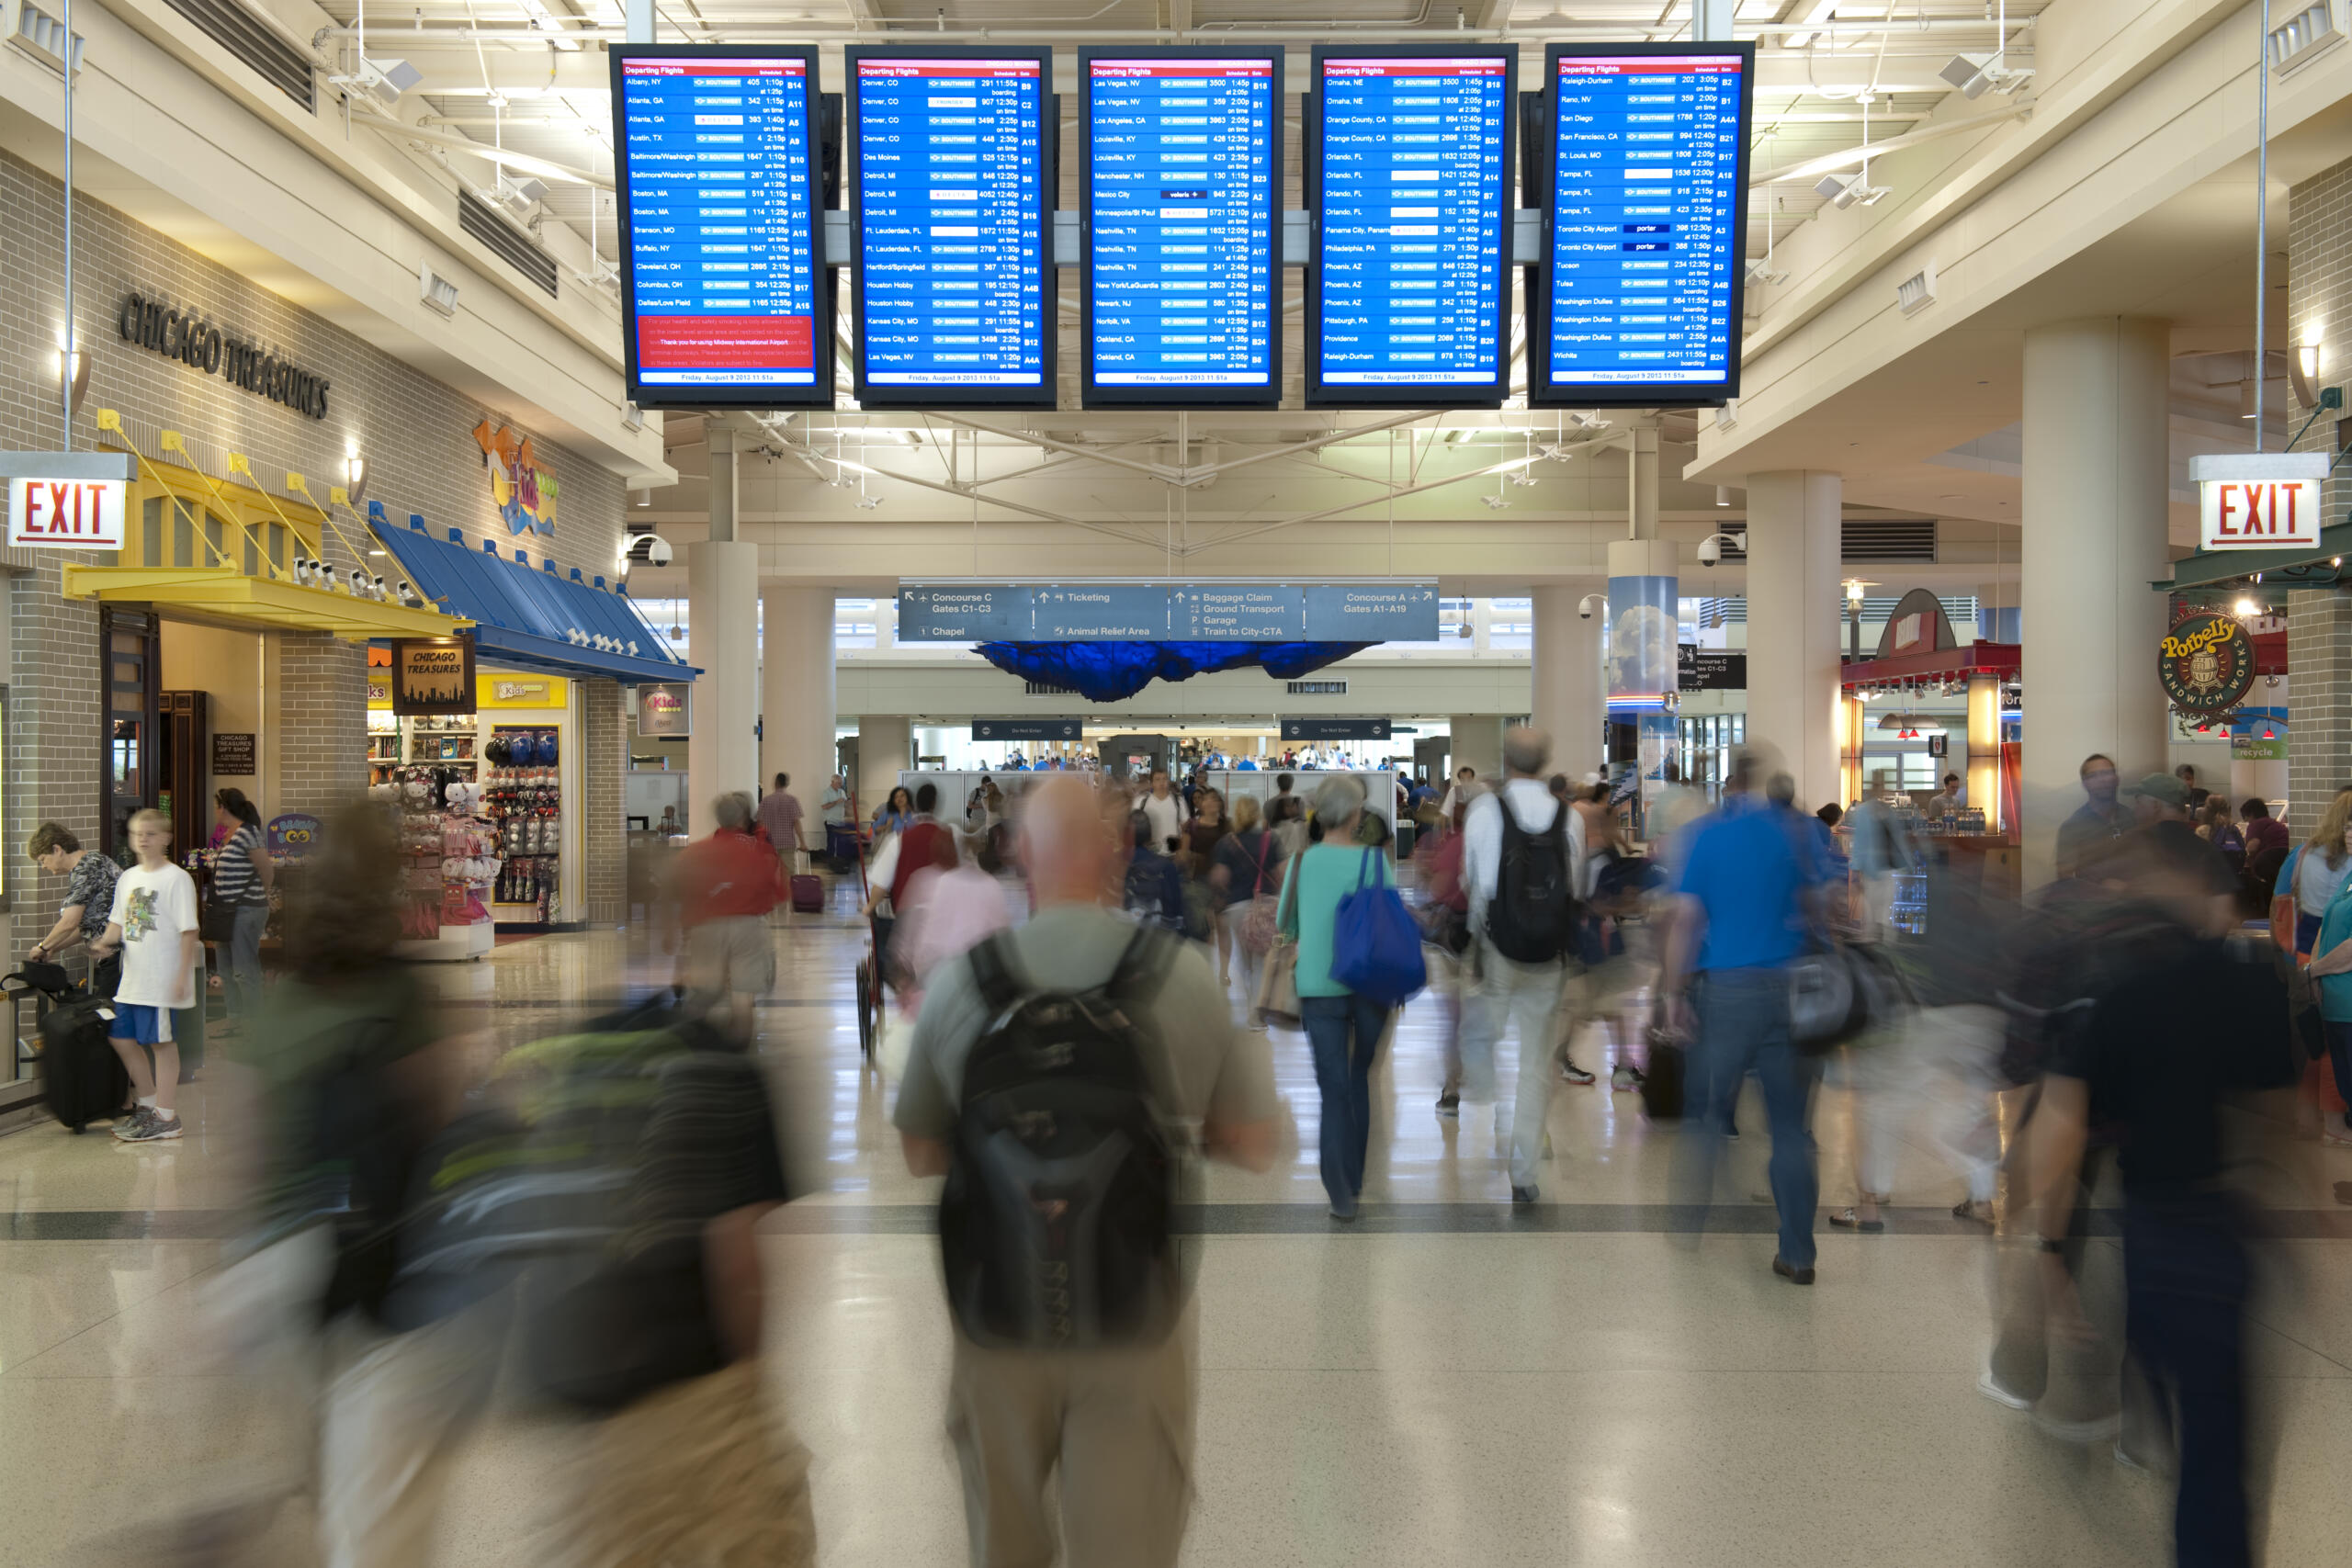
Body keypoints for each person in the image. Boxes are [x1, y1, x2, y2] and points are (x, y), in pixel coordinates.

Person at [893, 775, 1276, 1568]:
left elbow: (921, 1150)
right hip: (1134, 1313)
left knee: (1005, 1544)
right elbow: (1251, 1137)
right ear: (1117, 854)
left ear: (1018, 850)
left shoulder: (966, 981)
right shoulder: (1178, 976)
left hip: (994, 1312)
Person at [2026, 831, 2295, 1568]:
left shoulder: (2119, 990)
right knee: (2217, 1436)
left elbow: (2061, 1124)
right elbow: (2283, 1115)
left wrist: (2050, 1252)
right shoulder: (2251, 983)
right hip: (2220, 1224)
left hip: (2150, 1227)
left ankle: (2117, 1414)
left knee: (2156, 1367)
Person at [1662, 753, 1826, 1284]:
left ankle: (1688, 1224)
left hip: (1726, 992)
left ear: (1727, 781)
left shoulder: (1705, 836)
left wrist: (1673, 994)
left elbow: (1685, 920)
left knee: (1708, 1111)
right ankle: (1798, 1253)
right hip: (1788, 992)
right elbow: (1817, 908)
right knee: (1789, 1128)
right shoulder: (1794, 834)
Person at [1457, 728, 1585, 1203]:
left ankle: (1482, 1081)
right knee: (1535, 1065)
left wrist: (1477, 936)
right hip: (1549, 952)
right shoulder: (1568, 817)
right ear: (1546, 761)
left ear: (1505, 760)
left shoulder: (1486, 810)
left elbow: (1471, 880)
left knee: (1482, 1027)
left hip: (1497, 944)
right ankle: (1524, 1175)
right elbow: (1580, 887)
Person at [1275, 774, 1396, 1220]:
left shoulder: (1301, 864)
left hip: (1318, 989)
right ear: (1355, 815)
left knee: (1332, 1089)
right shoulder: (1374, 863)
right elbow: (1389, 923)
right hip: (1368, 987)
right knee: (1359, 1077)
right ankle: (1356, 1176)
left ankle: (1339, 1194)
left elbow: (1285, 928)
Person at [85, 807, 201, 1142]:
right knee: (121, 1037)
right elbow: (118, 923)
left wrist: (181, 976)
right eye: (137, 833)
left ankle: (167, 1116)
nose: (143, 839)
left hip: (162, 979)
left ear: (166, 838)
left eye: (150, 833)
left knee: (161, 1043)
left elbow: (189, 932)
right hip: (132, 980)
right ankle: (150, 1107)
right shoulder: (128, 877)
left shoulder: (176, 878)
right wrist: (103, 944)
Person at [670, 793, 786, 1042]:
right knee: (743, 999)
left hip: (706, 926)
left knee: (703, 993)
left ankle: (693, 1044)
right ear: (744, 818)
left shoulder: (694, 853)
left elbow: (675, 891)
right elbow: (777, 891)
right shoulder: (759, 851)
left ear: (717, 819)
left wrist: (677, 931)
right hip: (748, 927)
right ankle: (739, 1057)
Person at [26, 821, 122, 996]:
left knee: (110, 1016)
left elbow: (69, 922)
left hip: (119, 956)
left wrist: (42, 947)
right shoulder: (92, 861)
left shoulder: (86, 868)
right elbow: (83, 927)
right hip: (113, 956)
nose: (43, 866)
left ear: (57, 849)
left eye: (42, 860)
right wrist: (54, 949)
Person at [209, 787, 276, 1032]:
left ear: (223, 807)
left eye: (216, 806)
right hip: (226, 912)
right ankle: (234, 1017)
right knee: (226, 969)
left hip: (246, 910)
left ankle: (253, 1022)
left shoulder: (248, 833)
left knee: (244, 970)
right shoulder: (229, 834)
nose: (215, 810)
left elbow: (266, 869)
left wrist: (263, 895)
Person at [1212, 794, 1283, 1001]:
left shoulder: (1226, 843)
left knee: (1244, 958)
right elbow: (1282, 873)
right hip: (1266, 905)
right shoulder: (1271, 839)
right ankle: (1259, 1007)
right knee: (1263, 958)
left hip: (1237, 907)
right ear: (1257, 813)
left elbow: (1220, 877)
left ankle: (1251, 1001)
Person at [1846, 770, 1914, 943]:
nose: (1880, 788)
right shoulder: (1863, 812)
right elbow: (1859, 843)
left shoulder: (1888, 811)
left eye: (1882, 785)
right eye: (1877, 785)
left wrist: (1907, 866)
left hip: (1888, 869)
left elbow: (1898, 840)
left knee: (1886, 915)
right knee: (1871, 916)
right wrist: (1855, 873)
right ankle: (1873, 953)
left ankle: (1887, 950)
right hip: (1871, 870)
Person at [2055, 752, 2131, 879]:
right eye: (2093, 776)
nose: (2101, 780)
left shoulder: (2132, 818)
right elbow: (2065, 877)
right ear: (2084, 784)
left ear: (2116, 779)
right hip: (2092, 897)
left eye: (2106, 773)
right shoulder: (2073, 827)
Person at [1123, 813, 1185, 931]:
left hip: (1120, 936)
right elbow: (1175, 913)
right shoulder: (1167, 866)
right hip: (1155, 937)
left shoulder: (1113, 864)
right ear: (1150, 836)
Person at [757, 773, 807, 859]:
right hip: (787, 843)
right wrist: (802, 842)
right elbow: (796, 822)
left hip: (769, 843)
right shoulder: (792, 800)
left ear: (775, 783)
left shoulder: (765, 801)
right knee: (787, 871)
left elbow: (760, 823)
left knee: (771, 871)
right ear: (787, 784)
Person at [1140, 768, 1183, 852]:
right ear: (1151, 783)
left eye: (1165, 779)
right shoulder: (1142, 801)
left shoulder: (1178, 800)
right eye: (1157, 779)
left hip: (1173, 852)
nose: (1162, 782)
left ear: (1168, 781)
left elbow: (1185, 827)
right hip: (1151, 852)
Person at [2241, 796, 2290, 860]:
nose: (2245, 821)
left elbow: (2252, 849)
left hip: (2269, 860)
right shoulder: (2276, 824)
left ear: (2251, 814)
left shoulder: (2256, 824)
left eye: (2245, 817)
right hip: (2287, 859)